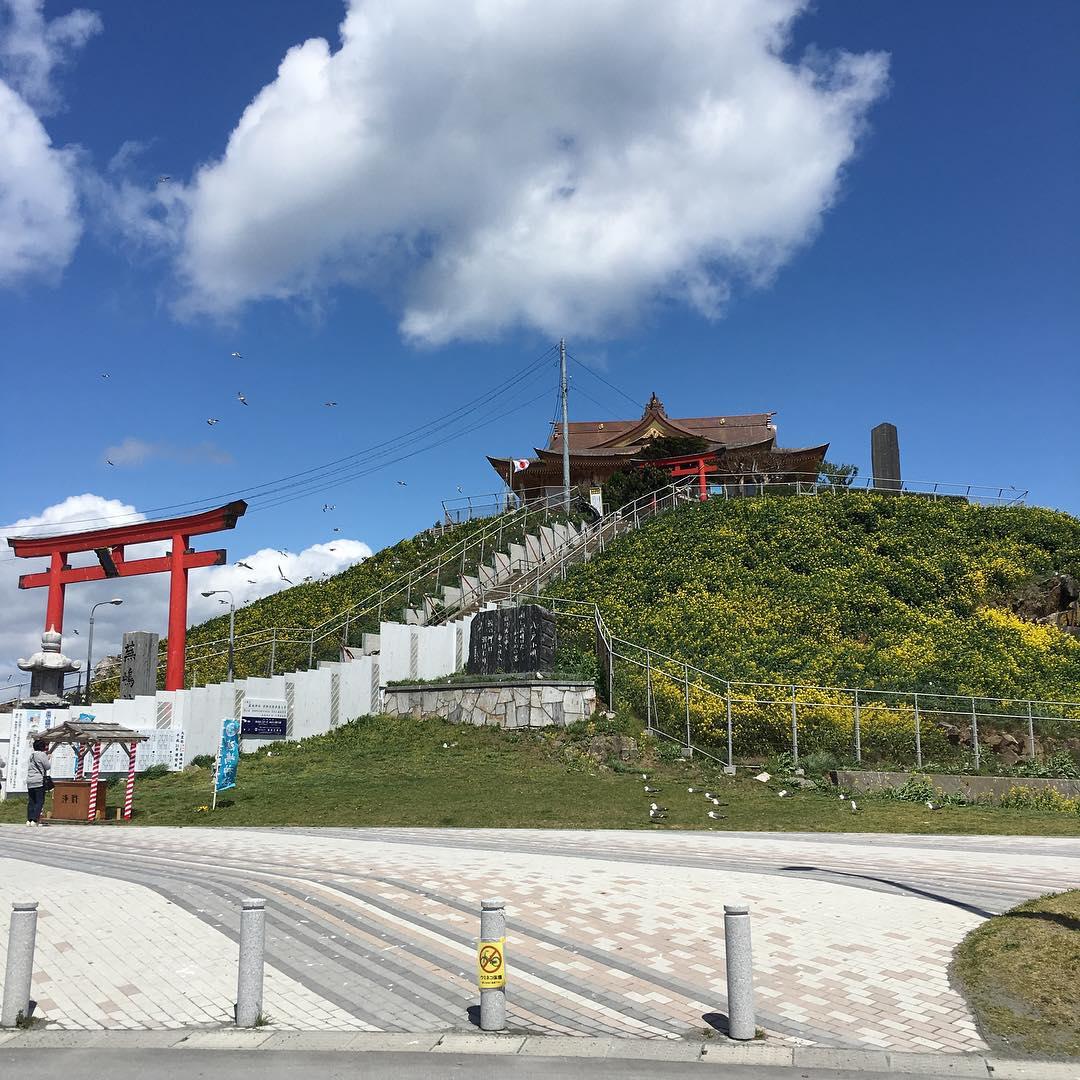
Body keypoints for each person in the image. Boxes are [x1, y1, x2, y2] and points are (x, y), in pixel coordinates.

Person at [25, 738, 51, 827]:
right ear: (43, 747)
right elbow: (47, 767)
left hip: (30, 780)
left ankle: (29, 820)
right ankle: (35, 820)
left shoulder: (31, 755)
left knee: (31, 801)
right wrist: (48, 758)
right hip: (38, 781)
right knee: (40, 801)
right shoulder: (42, 754)